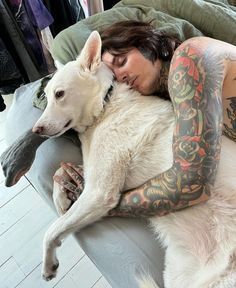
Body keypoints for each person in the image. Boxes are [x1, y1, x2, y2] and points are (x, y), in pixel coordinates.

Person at [1, 20, 236, 218]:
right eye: (117, 77)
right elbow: (72, 95)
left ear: (147, 44)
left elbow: (192, 184)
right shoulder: (168, 99)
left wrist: (102, 203)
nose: (121, 76)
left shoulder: (189, 59)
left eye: (122, 61)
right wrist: (32, 138)